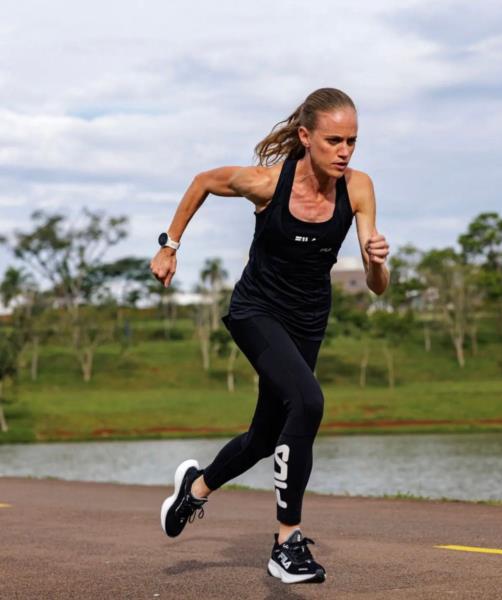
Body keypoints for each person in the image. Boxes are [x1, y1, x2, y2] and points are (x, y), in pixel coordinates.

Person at [150, 87, 390, 584]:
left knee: (263, 437)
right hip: (256, 311)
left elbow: (377, 287)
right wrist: (170, 246)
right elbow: (202, 182)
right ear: (305, 137)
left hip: (308, 320)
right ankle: (287, 541)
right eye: (333, 140)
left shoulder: (359, 189)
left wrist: (378, 261)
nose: (345, 151)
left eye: (352, 141)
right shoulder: (266, 184)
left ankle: (195, 490)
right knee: (309, 402)